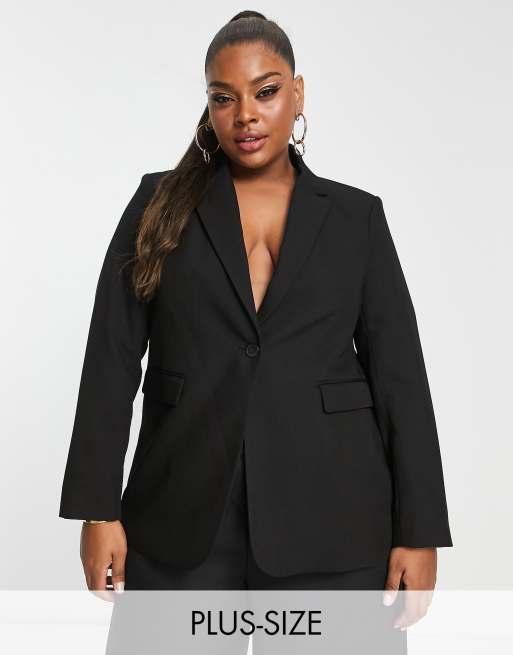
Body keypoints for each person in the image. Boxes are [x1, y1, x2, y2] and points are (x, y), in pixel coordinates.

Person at [59, 10, 452, 634]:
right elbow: (109, 360)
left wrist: (420, 530)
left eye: (265, 92)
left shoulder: (356, 219)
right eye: (224, 97)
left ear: (298, 94)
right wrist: (97, 510)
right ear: (209, 105)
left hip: (335, 521)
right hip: (179, 519)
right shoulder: (157, 204)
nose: (245, 115)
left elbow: (400, 377)